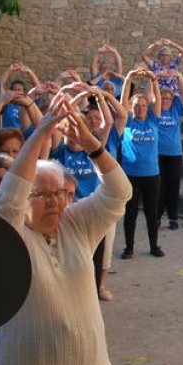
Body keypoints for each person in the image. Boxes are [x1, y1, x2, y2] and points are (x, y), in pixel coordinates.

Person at [0, 94, 130, 365]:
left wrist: (91, 144)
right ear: (26, 199)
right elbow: (8, 197)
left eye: (61, 194)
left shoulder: (77, 222)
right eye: (43, 195)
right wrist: (41, 131)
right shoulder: (10, 229)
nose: (55, 203)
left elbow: (119, 192)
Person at [50, 85, 118, 301]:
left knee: (102, 253)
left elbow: (109, 124)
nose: (71, 136)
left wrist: (98, 96)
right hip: (69, 211)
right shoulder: (59, 151)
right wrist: (65, 97)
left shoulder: (94, 148)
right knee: (72, 253)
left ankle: (99, 287)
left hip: (95, 209)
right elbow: (49, 127)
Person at [119, 69, 164, 259]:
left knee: (151, 213)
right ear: (132, 107)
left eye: (144, 105)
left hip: (152, 175)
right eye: (137, 105)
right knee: (130, 214)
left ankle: (154, 246)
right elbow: (122, 102)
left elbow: (158, 101)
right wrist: (129, 78)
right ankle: (129, 248)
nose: (140, 108)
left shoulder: (154, 120)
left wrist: (153, 80)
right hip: (131, 175)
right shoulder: (127, 121)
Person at [157, 73, 183, 230]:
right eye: (163, 98)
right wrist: (155, 76)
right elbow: (151, 93)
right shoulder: (154, 111)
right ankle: (156, 217)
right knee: (159, 187)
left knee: (173, 186)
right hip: (157, 155)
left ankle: (173, 217)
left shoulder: (176, 110)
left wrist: (179, 76)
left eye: (168, 98)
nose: (165, 101)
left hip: (175, 154)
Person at [0, 62, 41, 131]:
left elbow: (38, 89)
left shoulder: (29, 103)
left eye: (19, 90)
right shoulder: (8, 104)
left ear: (24, 92)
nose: (17, 92)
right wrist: (10, 70)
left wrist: (29, 72)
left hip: (25, 139)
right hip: (8, 137)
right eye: (15, 90)